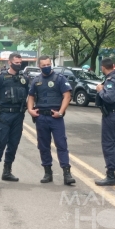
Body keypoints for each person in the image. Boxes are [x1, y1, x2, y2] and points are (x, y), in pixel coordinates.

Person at [28, 55, 75, 185]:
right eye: (43, 65)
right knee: (43, 145)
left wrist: (60, 112)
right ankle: (47, 172)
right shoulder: (36, 80)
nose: (46, 67)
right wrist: (30, 110)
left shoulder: (60, 78)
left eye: (48, 64)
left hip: (56, 117)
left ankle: (67, 173)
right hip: (41, 117)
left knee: (61, 144)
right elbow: (31, 96)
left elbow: (67, 96)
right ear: (39, 66)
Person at [0, 53, 29, 183]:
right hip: (5, 115)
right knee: (0, 142)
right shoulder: (1, 78)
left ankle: (7, 171)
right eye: (16, 62)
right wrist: (2, 107)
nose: (19, 64)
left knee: (13, 143)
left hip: (18, 115)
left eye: (20, 62)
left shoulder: (24, 78)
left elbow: (28, 94)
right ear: (10, 62)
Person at [94, 58, 115, 186]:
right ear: (113, 66)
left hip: (111, 115)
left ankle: (110, 175)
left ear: (103, 67)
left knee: (108, 145)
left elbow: (109, 98)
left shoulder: (110, 80)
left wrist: (100, 90)